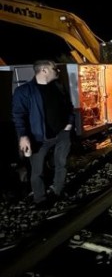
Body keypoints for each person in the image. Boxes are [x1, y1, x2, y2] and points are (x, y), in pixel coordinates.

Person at [12, 60, 74, 209]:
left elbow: (68, 106)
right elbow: (18, 115)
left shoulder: (59, 86)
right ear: (44, 70)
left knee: (62, 164)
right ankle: (40, 199)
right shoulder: (24, 91)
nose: (57, 71)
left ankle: (57, 191)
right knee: (37, 171)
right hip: (39, 138)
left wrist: (70, 122)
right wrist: (23, 135)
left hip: (62, 134)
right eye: (55, 69)